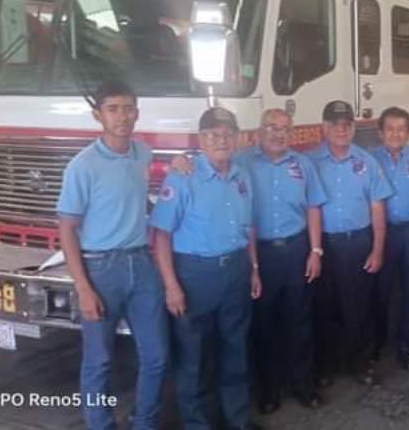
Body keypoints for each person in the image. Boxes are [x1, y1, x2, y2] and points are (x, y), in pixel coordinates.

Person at [57, 80, 168, 430]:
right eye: (113, 108)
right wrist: (84, 288)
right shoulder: (83, 166)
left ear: (137, 112)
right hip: (100, 270)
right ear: (98, 115)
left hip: (142, 264)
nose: (122, 116)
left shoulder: (142, 153)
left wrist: (180, 165)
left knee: (156, 356)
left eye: (128, 108)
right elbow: (67, 229)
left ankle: (144, 422)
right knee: (99, 361)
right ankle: (100, 424)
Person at [149, 107, 262, 430]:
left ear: (237, 138)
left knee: (236, 350)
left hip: (236, 270)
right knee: (192, 357)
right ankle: (197, 424)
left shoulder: (243, 175)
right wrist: (171, 286)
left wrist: (253, 268)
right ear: (201, 139)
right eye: (213, 134)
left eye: (228, 134)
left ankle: (237, 420)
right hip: (194, 276)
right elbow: (162, 235)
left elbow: (250, 227)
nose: (221, 140)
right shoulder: (183, 177)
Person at [237, 108, 327, 414]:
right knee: (264, 325)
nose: (278, 133)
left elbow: (314, 207)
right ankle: (269, 390)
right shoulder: (241, 162)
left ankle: (303, 385)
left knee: (300, 321)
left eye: (285, 128)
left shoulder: (304, 165)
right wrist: (183, 163)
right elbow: (207, 163)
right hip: (258, 253)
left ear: (293, 133)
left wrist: (316, 251)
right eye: (271, 127)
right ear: (259, 131)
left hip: (296, 249)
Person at [309, 100, 393, 386]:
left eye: (346, 125)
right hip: (324, 246)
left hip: (358, 242)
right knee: (325, 307)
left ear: (353, 128)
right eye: (335, 125)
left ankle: (360, 363)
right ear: (324, 128)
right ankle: (327, 365)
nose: (341, 130)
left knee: (359, 306)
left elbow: (378, 208)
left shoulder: (367, 162)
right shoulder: (309, 162)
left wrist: (377, 249)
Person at [369, 107, 409, 370]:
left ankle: (406, 344)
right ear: (381, 133)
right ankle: (376, 342)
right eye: (390, 129)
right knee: (379, 291)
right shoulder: (369, 160)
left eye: (401, 129)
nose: (396, 134)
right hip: (382, 233)